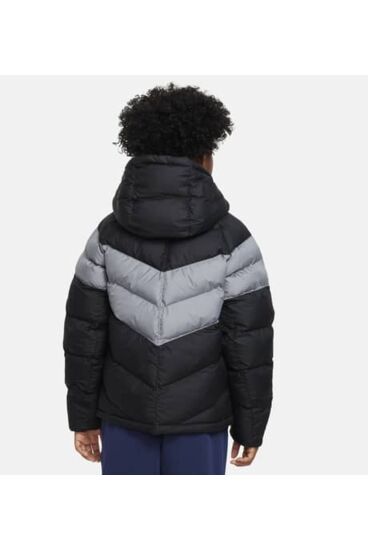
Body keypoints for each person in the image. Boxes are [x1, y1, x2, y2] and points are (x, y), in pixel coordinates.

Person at [63, 83, 275, 475]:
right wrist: (251, 426)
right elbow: (249, 345)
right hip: (202, 421)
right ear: (205, 157)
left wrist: (82, 417)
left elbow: (84, 338)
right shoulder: (234, 239)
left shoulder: (106, 237)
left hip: (123, 416)